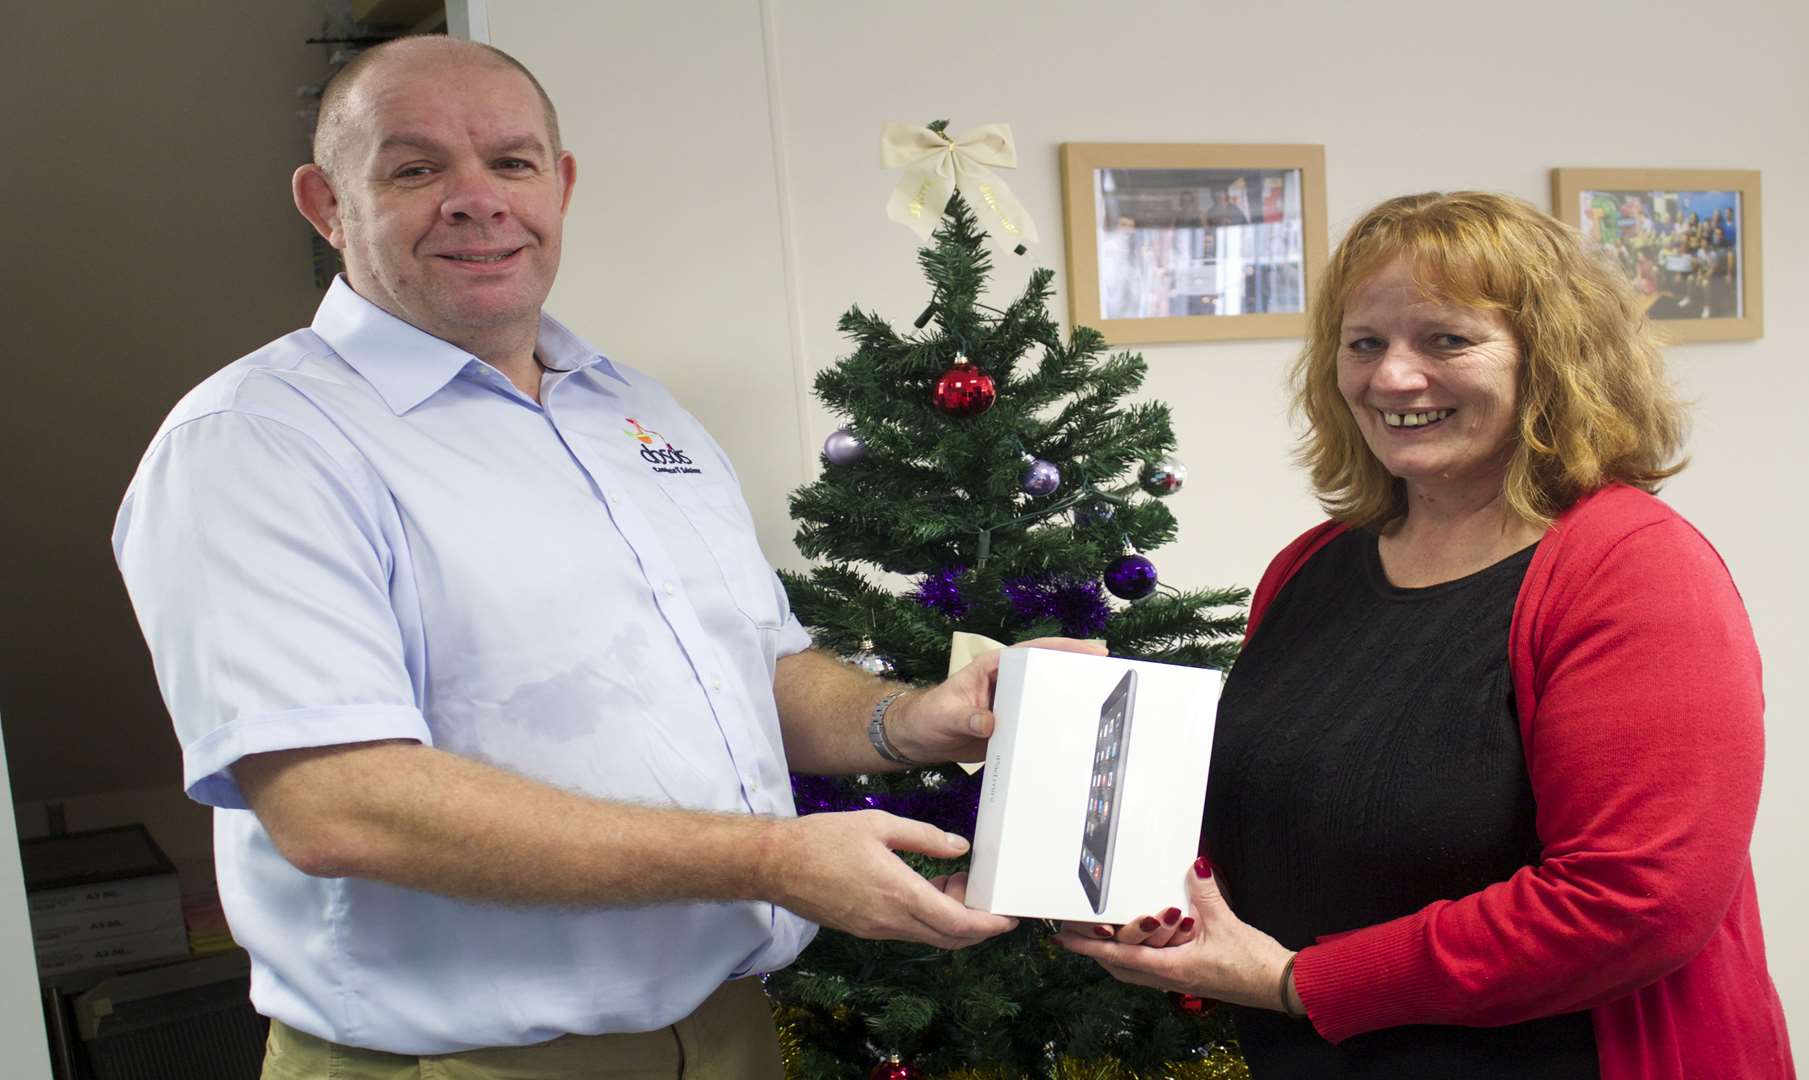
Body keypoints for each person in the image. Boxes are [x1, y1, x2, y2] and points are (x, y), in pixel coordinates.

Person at [111, 35, 1084, 1078]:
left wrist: (910, 721)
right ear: (324, 203)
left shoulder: (633, 410)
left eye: (512, 162)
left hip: (728, 1032)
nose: (476, 199)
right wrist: (771, 862)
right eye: (415, 166)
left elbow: (753, 668)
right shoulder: (258, 440)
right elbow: (337, 804)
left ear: (561, 186)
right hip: (461, 1062)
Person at [1057, 191, 1794, 1078]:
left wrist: (1302, 979)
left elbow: (1631, 901)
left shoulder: (1632, 571)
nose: (1393, 378)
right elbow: (1284, 807)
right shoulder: (1315, 565)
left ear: (1551, 362)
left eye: (1446, 340)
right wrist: (1081, 767)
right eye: (1365, 343)